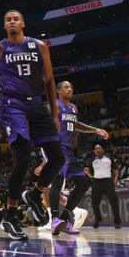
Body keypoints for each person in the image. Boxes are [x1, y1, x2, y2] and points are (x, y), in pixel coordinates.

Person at [0, 9, 64, 240]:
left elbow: (49, 81)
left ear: (23, 23)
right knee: (22, 158)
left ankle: (34, 194)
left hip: (37, 105)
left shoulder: (39, 46)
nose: (12, 22)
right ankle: (10, 216)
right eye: (8, 19)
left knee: (58, 157)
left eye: (15, 19)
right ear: (4, 25)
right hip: (11, 106)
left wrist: (55, 112)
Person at [46, 80, 109, 235]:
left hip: (69, 151)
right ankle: (55, 220)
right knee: (57, 182)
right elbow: (43, 124)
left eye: (71, 87)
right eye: (66, 87)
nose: (70, 89)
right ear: (59, 91)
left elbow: (76, 124)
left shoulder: (73, 108)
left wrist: (95, 129)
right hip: (56, 148)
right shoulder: (53, 106)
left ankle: (65, 217)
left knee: (82, 184)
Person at [87, 144, 121, 229]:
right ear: (94, 151)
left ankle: (117, 222)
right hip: (97, 182)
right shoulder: (92, 161)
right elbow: (90, 173)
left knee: (114, 202)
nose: (97, 150)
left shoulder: (108, 159)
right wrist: (88, 174)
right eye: (95, 149)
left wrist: (116, 179)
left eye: (99, 148)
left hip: (108, 182)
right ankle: (98, 219)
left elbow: (116, 169)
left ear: (103, 150)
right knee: (94, 202)